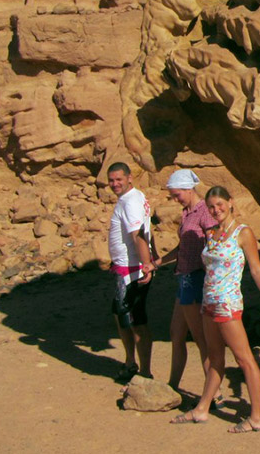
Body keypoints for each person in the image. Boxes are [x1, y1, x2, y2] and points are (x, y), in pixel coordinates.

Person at [171, 186, 260, 433]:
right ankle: (201, 409)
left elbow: (256, 269)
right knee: (215, 357)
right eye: (211, 206)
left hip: (227, 304)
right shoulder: (213, 233)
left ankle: (257, 417)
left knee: (245, 360)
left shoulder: (243, 233)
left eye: (220, 204)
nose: (216, 210)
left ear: (230, 203)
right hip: (208, 303)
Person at [155, 169, 223, 404]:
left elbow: (215, 243)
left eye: (177, 195)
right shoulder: (187, 213)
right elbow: (183, 247)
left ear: (188, 189)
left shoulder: (204, 212)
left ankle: (215, 393)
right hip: (183, 278)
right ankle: (173, 385)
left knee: (200, 338)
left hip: (195, 279)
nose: (175, 199)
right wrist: (158, 262)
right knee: (176, 333)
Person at [106, 161, 156, 383]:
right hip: (124, 268)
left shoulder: (131, 201)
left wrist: (146, 264)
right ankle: (130, 362)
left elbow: (139, 235)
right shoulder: (130, 199)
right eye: (111, 180)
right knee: (122, 315)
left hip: (132, 270)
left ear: (129, 178)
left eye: (119, 179)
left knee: (136, 319)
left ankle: (143, 370)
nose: (115, 184)